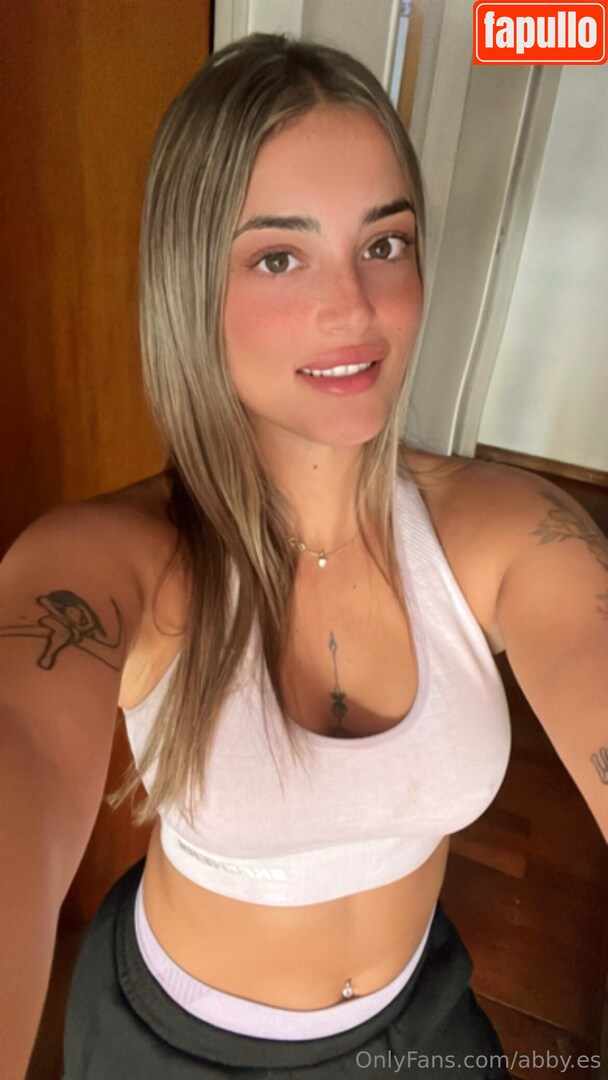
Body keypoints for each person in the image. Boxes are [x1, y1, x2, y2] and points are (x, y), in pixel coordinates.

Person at [1, 32, 606, 1080]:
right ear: (191, 285)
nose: (355, 307)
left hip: (419, 1021)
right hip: (175, 1046)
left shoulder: (505, 528)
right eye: (278, 256)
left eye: (385, 243)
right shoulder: (109, 561)